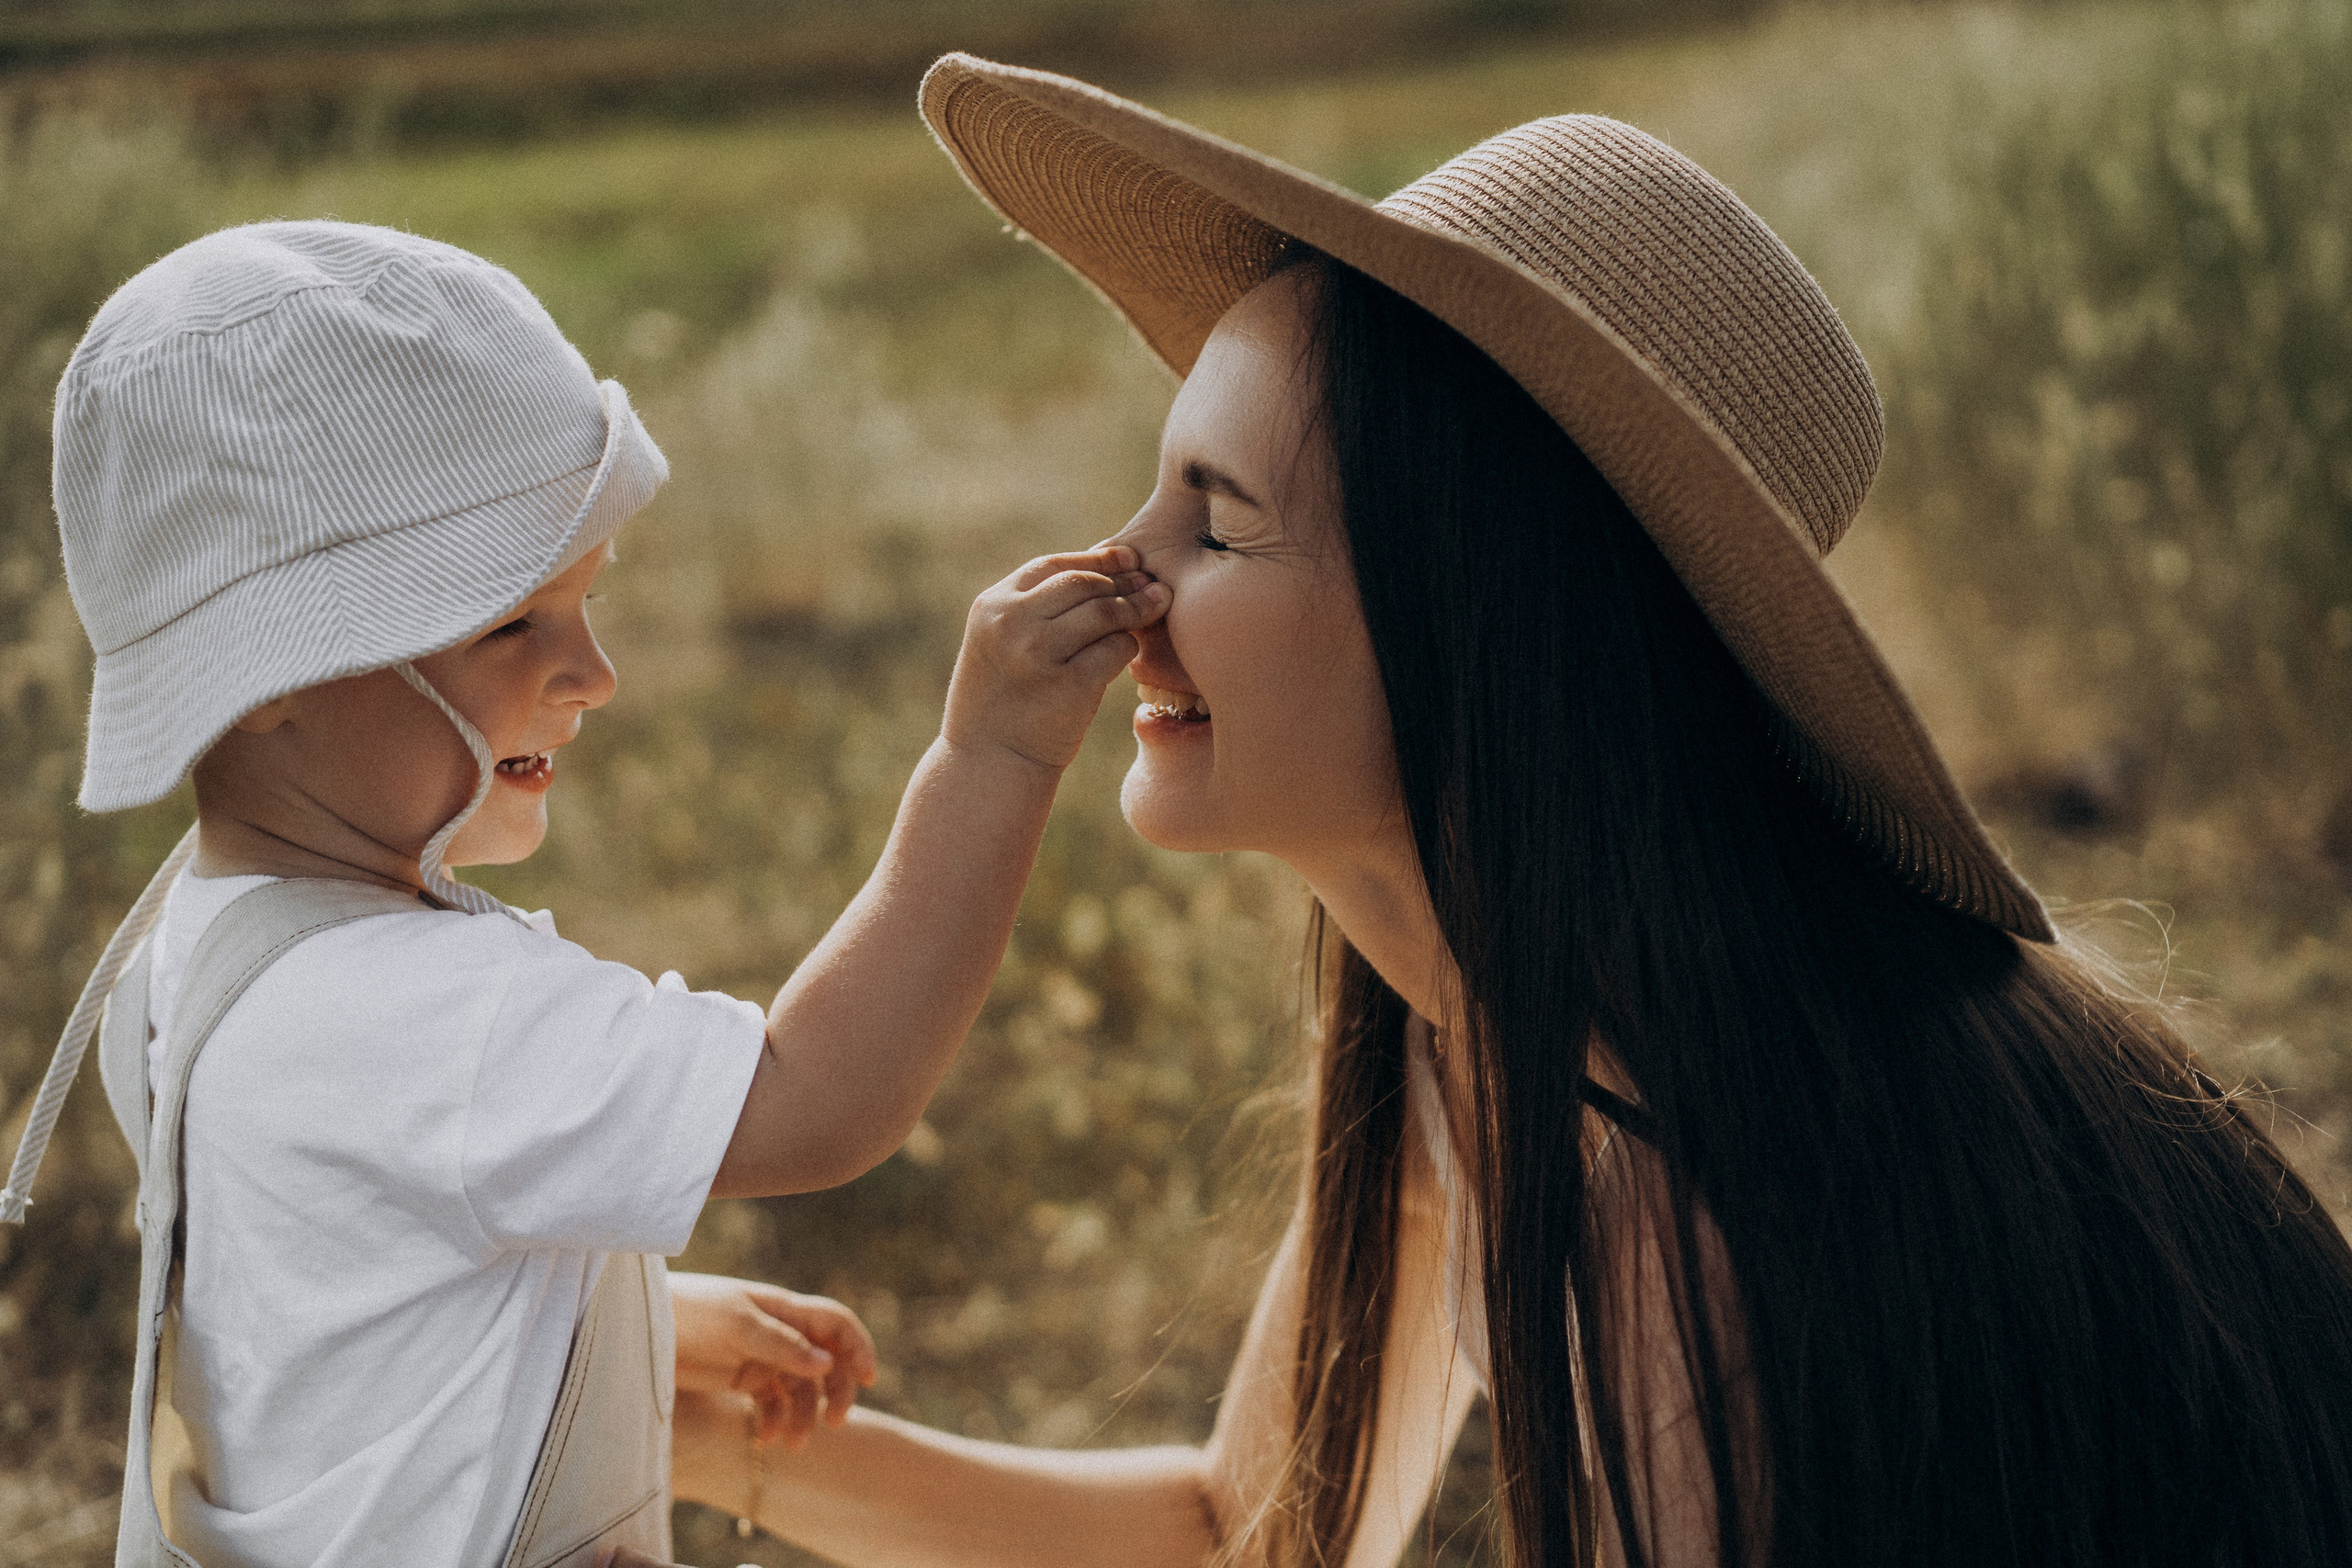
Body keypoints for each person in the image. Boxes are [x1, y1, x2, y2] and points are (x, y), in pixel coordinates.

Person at [657, 55, 2352, 1568]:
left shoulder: (1684, 1223)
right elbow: (1248, 1531)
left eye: (1216, 521)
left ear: (1476, 634)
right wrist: (674, 1427)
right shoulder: (1485, 1056)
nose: (1120, 574)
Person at [0, 219, 1164, 1566]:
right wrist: (993, 758)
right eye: (514, 623)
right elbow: (823, 1097)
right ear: (266, 682)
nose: (593, 671)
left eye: (585, 606)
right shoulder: (428, 1011)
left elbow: (328, 1304)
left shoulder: (196, 956)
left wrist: (629, 1327)